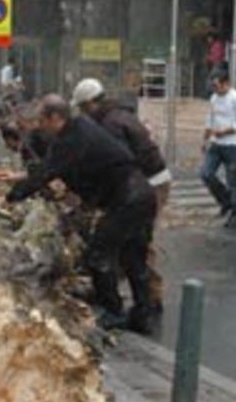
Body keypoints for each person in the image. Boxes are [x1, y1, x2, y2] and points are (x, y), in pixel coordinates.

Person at [0, 94, 157, 333]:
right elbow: (53, 167)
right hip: (140, 194)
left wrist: (9, 198)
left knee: (98, 253)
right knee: (132, 257)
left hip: (129, 199)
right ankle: (143, 313)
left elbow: (47, 171)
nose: (40, 127)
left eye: (42, 121)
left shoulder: (72, 137)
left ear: (55, 118)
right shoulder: (78, 128)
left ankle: (113, 311)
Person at [71, 78, 172, 313]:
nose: (84, 114)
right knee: (132, 240)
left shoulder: (110, 124)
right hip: (148, 181)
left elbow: (118, 164)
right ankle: (141, 296)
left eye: (83, 109)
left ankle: (150, 297)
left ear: (91, 104)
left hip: (148, 184)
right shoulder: (118, 114)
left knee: (138, 241)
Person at [199, 72, 236, 229]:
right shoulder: (214, 98)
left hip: (233, 145)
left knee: (233, 182)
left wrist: (228, 131)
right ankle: (225, 200)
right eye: (213, 86)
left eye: (217, 86)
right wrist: (205, 139)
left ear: (226, 84)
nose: (215, 89)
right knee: (206, 173)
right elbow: (209, 119)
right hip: (216, 143)